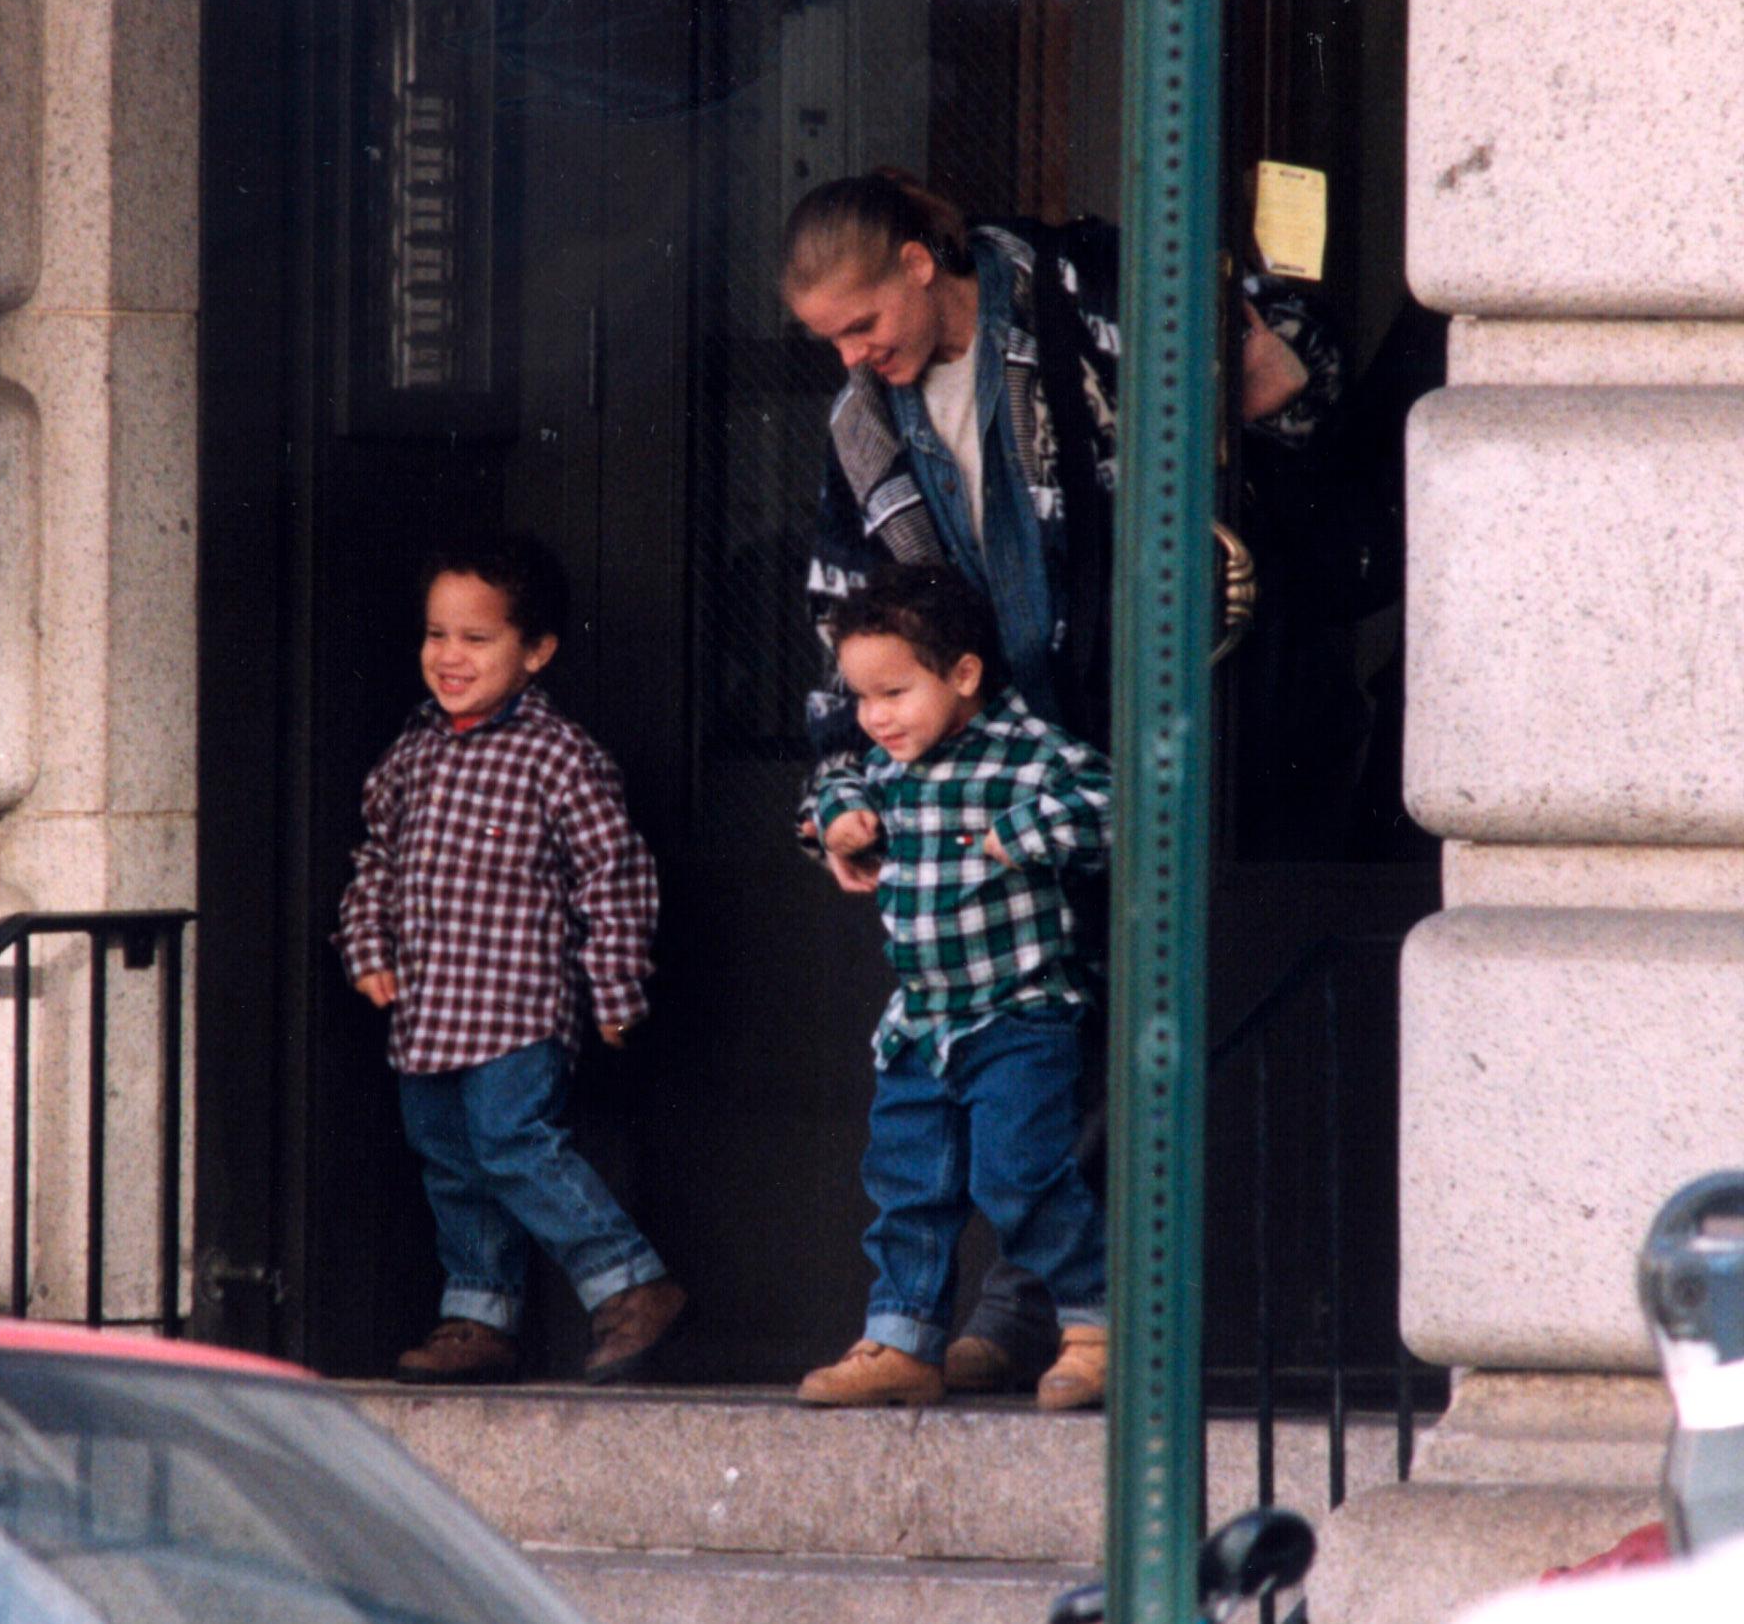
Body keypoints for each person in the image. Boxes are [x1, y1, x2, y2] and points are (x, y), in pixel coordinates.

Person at [783, 169, 1338, 1396]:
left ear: (921, 264)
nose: (855, 354)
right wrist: (848, 778)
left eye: (863, 321)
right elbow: (844, 608)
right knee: (1019, 1042)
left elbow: (1270, 373)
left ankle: (1049, 1309)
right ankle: (1012, 1310)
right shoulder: (863, 423)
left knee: (1087, 1024)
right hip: (986, 748)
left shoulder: (1079, 296)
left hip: (1142, 724)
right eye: (830, 338)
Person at [334, 534, 688, 1386]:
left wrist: (614, 985)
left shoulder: (556, 755)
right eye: (437, 635)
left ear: (535, 653)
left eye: (477, 639)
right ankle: (480, 1317)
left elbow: (614, 874)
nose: (450, 657)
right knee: (451, 1162)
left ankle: (631, 1283)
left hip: (513, 1007)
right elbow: (373, 861)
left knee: (513, 1144)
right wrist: (367, 946)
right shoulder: (411, 753)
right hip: (426, 1011)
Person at [794, 564, 1112, 1409]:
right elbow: (834, 785)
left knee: (1020, 1174)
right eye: (861, 699)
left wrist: (1031, 831)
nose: (875, 717)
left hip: (1018, 1015)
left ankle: (1099, 1324)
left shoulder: (1032, 755)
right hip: (919, 1026)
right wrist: (838, 818)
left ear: (963, 675)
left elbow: (1121, 804)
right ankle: (904, 1340)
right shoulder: (888, 766)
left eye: (893, 693)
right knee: (908, 1185)